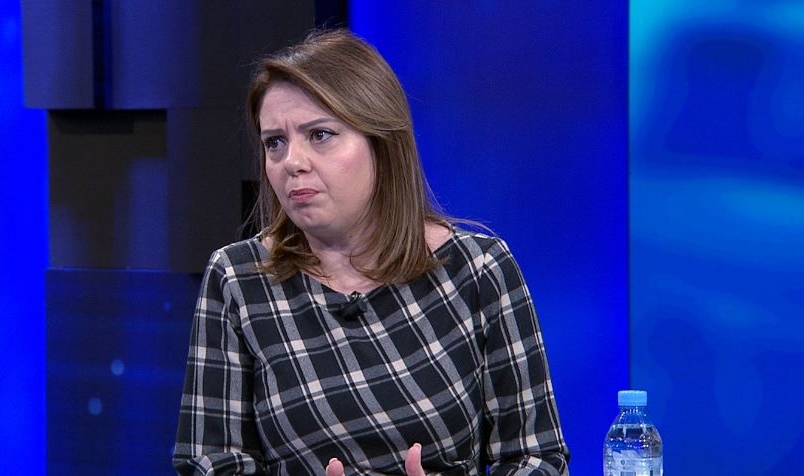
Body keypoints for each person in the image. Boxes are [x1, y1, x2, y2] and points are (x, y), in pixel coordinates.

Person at [173, 29, 569, 476]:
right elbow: (211, 462)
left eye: (320, 135)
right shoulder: (238, 278)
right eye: (274, 143)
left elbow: (538, 458)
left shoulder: (478, 270)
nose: (292, 162)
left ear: (382, 144)